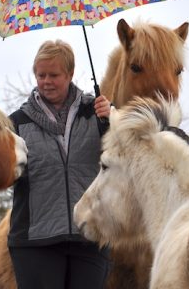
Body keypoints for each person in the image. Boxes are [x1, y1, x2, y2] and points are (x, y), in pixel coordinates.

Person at [8, 40, 111, 289]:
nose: (46, 81)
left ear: (70, 74)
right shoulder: (15, 124)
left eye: (54, 75)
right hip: (35, 242)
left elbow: (124, 156)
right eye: (41, 75)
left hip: (90, 236)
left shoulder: (97, 114)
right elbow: (6, 174)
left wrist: (112, 119)